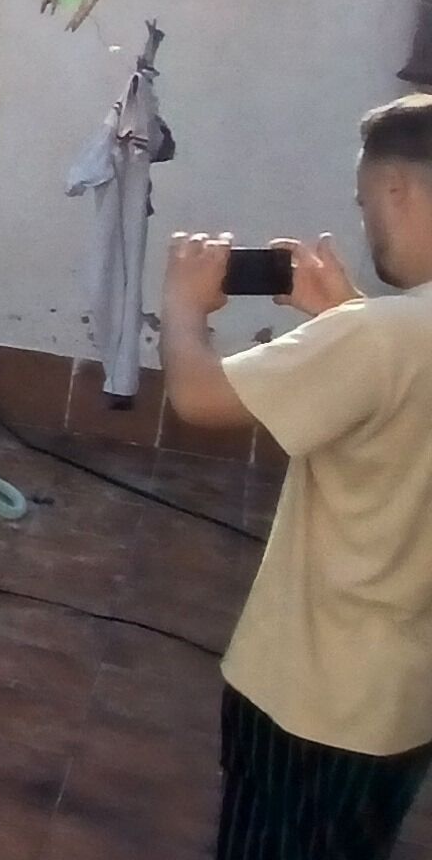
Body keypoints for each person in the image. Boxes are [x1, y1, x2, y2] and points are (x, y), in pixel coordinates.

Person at [162, 94, 432, 860]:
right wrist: (343, 313)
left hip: (313, 698)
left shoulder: (381, 337)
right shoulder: (386, 335)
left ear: (398, 190)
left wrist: (182, 308)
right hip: (403, 703)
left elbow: (199, 397)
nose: (366, 223)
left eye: (365, 204)